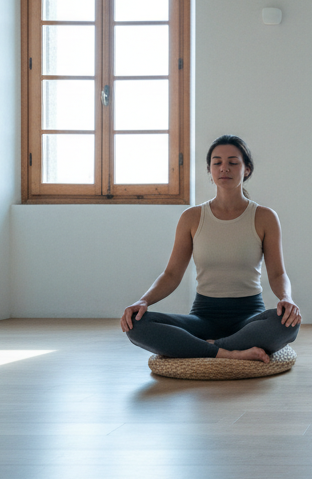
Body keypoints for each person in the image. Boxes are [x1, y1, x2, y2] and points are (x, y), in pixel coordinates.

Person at [121, 134, 301, 362]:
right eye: (217, 162)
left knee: (286, 325)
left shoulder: (264, 217)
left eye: (233, 162)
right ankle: (228, 352)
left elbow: (278, 273)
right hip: (203, 318)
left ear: (246, 169)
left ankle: (205, 349)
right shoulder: (192, 217)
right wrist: (143, 301)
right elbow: (171, 274)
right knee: (136, 325)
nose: (224, 168)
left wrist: (287, 299)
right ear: (210, 170)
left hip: (249, 318)